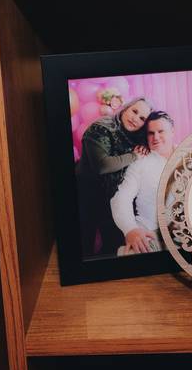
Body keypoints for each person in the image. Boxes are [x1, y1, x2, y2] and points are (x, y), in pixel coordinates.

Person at [76, 97, 152, 255]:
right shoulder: (101, 127)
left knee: (114, 247)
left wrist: (145, 146)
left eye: (142, 118)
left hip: (112, 198)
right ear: (125, 108)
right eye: (134, 111)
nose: (135, 119)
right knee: (84, 245)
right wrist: (134, 156)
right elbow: (102, 166)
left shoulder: (135, 136)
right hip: (86, 195)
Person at [110, 111, 177, 254]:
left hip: (187, 232)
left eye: (160, 131)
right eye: (151, 133)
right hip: (151, 233)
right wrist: (130, 229)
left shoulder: (191, 156)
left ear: (172, 131)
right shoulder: (140, 163)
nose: (155, 137)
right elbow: (121, 198)